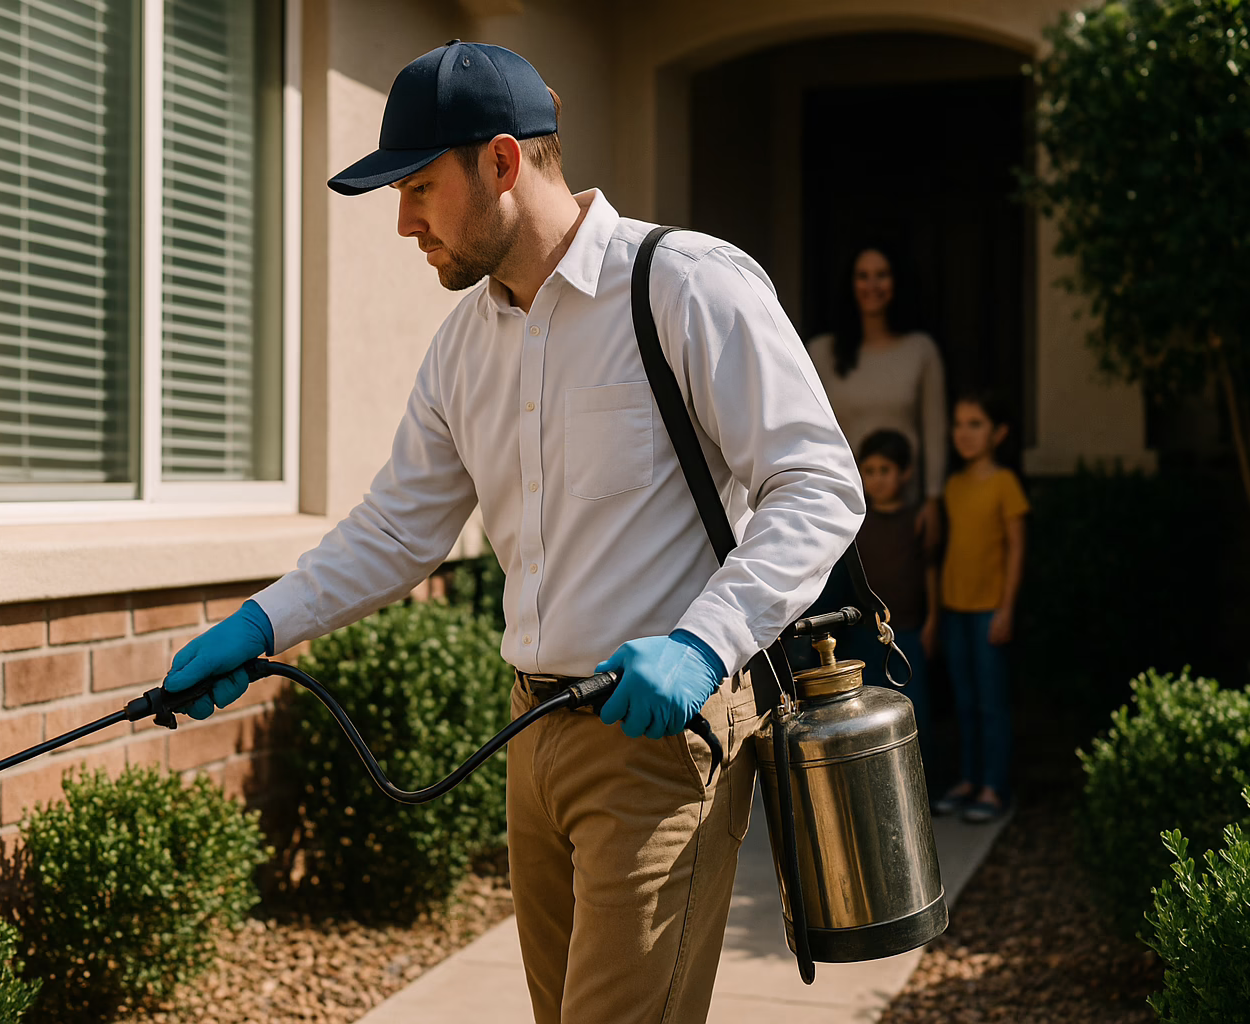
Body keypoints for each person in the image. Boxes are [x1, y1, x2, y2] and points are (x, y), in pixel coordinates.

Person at [157, 40, 864, 1024]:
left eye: (417, 186)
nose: (402, 222)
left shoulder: (685, 285)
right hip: (532, 742)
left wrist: (706, 642)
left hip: (659, 748)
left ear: (501, 161)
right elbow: (399, 529)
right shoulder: (463, 347)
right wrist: (261, 623)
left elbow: (817, 483)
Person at [806, 246, 947, 545]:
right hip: (839, 508)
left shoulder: (920, 350)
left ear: (897, 282)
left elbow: (935, 431)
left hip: (903, 510)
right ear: (850, 284)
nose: (872, 285)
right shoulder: (822, 352)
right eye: (863, 276)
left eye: (881, 275)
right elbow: (807, 432)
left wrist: (934, 500)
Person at [932, 391, 1028, 825]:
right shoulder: (953, 486)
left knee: (992, 703)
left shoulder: (1005, 483)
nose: (964, 433)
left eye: (975, 424)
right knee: (965, 701)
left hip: (990, 609)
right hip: (955, 608)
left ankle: (994, 787)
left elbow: (1016, 550)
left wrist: (1007, 608)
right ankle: (970, 780)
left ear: (998, 433)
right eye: (959, 424)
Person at [850, 429, 938, 769]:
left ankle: (920, 782)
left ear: (905, 473)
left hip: (909, 632)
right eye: (868, 471)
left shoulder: (918, 519)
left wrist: (933, 621)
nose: (876, 479)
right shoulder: (856, 523)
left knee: (914, 713)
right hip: (864, 635)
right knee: (869, 716)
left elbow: (930, 571)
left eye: (884, 470)